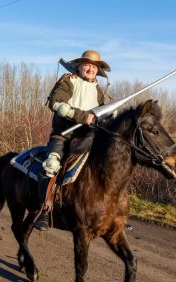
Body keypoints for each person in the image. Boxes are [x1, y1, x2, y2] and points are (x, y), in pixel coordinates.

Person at [33, 50, 110, 231]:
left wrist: (108, 117)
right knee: (51, 165)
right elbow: (56, 103)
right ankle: (43, 210)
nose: (91, 68)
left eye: (94, 66)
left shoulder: (98, 91)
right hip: (64, 135)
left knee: (107, 165)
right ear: (79, 66)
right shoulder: (68, 81)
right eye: (87, 64)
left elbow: (100, 114)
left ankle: (108, 213)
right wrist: (83, 117)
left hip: (89, 137)